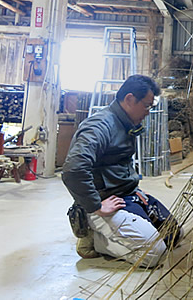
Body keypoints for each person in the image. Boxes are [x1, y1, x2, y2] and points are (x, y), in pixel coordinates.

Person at [62, 75, 180, 267]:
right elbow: (73, 170)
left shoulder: (125, 123)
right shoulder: (99, 126)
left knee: (173, 235)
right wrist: (95, 206)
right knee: (154, 255)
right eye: (146, 106)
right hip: (102, 202)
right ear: (130, 99)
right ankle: (95, 238)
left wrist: (135, 189)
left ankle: (115, 229)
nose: (148, 112)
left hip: (125, 195)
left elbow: (119, 166)